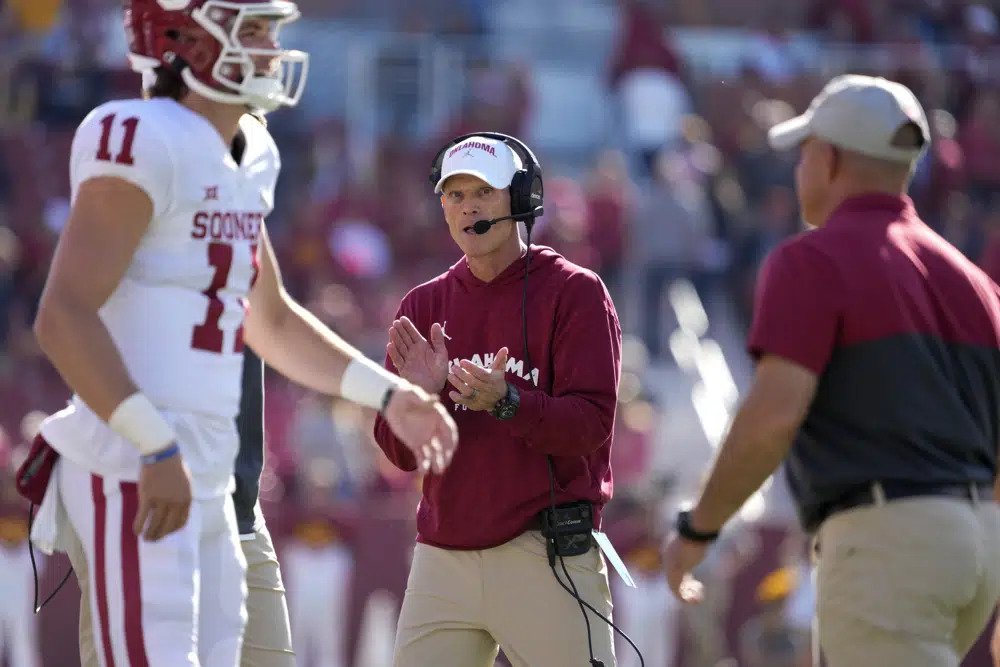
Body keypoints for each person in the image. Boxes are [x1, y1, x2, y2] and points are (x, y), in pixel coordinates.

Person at [26, 1, 458, 666]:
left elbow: (272, 319)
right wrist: (153, 444)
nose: (270, 50)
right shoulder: (142, 135)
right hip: (133, 457)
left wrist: (389, 394)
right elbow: (63, 314)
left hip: (208, 465)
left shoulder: (247, 151)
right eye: (252, 32)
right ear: (185, 44)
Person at [661, 74, 1000, 666]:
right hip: (980, 547)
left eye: (805, 152)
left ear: (830, 157)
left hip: (889, 541)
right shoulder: (975, 283)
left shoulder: (811, 260)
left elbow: (772, 417)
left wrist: (698, 531)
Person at [372, 133, 623, 666]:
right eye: (455, 195)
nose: (468, 208)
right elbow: (398, 453)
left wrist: (508, 400)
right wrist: (420, 396)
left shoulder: (576, 292)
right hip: (443, 556)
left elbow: (591, 425)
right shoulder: (423, 303)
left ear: (522, 199)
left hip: (545, 553)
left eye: (482, 192)